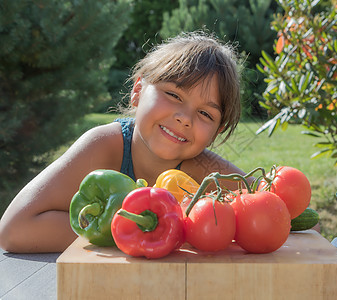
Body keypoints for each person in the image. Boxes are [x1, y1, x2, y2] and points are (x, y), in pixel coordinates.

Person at [0, 31, 247, 253]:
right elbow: (14, 230)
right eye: (173, 95)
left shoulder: (208, 176)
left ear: (217, 132)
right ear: (138, 90)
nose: (185, 118)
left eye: (206, 114)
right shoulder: (104, 146)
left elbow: (277, 212)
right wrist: (132, 234)